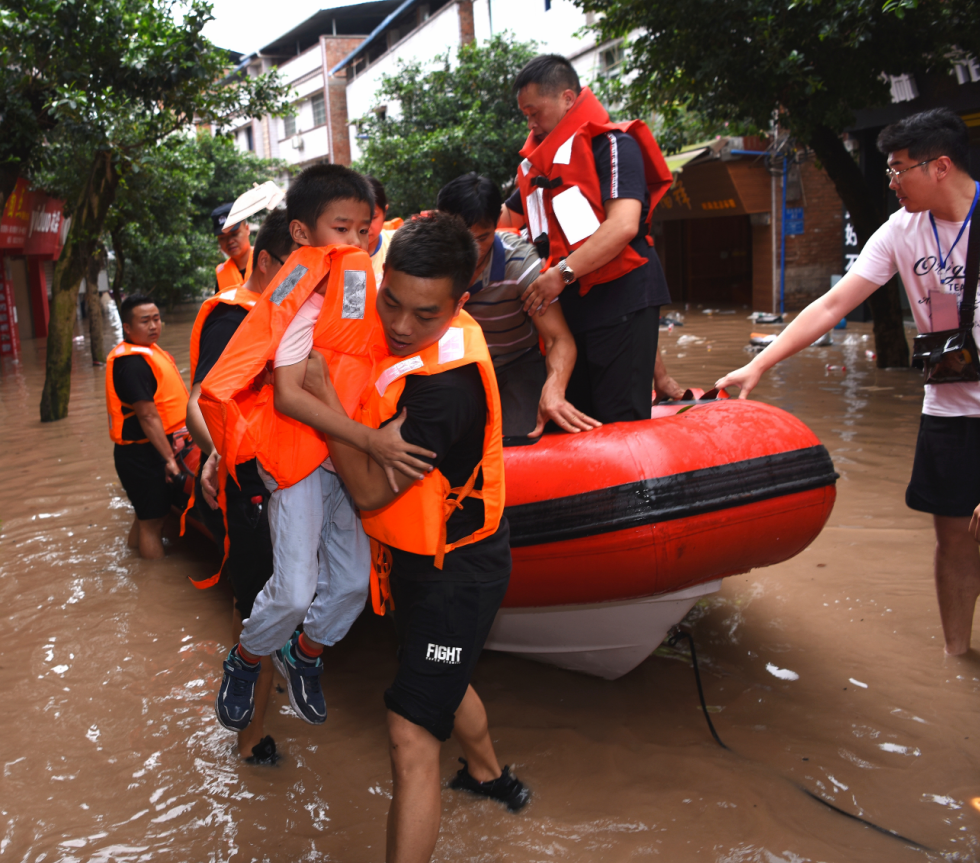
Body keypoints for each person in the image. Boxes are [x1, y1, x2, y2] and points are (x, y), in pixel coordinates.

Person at [303, 212, 529, 863]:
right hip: (413, 555)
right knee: (440, 674)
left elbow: (372, 491)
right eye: (390, 302)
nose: (401, 326)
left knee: (409, 730)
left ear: (461, 301)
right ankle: (490, 777)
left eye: (423, 315)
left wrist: (328, 411)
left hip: (455, 571)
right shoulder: (409, 326)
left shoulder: (447, 390)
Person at [716, 108, 980, 657]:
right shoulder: (902, 230)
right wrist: (762, 364)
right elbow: (833, 304)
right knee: (953, 540)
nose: (891, 182)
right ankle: (958, 659)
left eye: (899, 169)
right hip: (949, 408)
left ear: (940, 166)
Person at [200, 165, 434, 733]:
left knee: (353, 584)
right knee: (295, 587)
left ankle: (303, 654)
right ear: (304, 237)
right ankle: (247, 657)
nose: (356, 242)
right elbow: (287, 394)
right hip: (301, 460)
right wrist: (369, 440)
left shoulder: (366, 296)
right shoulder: (298, 307)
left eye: (362, 230)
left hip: (344, 464)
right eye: (342, 229)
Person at [499, 54, 683, 420]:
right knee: (581, 413)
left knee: (620, 417)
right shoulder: (540, 165)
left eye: (535, 111)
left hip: (620, 296)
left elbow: (623, 225)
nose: (531, 122)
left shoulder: (613, 146)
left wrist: (561, 274)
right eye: (526, 115)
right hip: (572, 307)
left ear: (568, 98)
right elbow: (505, 216)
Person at [184, 208, 295, 763]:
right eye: (295, 268)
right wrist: (223, 457)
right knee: (255, 601)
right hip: (253, 483)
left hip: (290, 476)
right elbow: (199, 402)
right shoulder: (234, 316)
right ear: (270, 259)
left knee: (281, 595)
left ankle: (267, 688)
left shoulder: (289, 310)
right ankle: (252, 737)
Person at [437, 172, 601, 437]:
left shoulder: (520, 264)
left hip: (516, 363)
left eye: (483, 237)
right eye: (463, 237)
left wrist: (555, 389)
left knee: (518, 440)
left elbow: (558, 339)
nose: (474, 251)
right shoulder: (427, 260)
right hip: (456, 366)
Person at [105, 296, 188, 559]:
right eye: (145, 321)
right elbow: (148, 416)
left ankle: (133, 564)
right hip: (142, 455)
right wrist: (170, 460)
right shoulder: (131, 365)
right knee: (154, 523)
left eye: (156, 318)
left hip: (147, 449)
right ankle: (154, 582)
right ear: (127, 328)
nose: (154, 325)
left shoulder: (146, 353)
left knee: (145, 517)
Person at [211, 203, 253, 293]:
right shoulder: (221, 276)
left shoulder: (269, 263)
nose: (230, 241)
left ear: (247, 229)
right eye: (222, 238)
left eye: (235, 234)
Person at [365, 175, 396, 280]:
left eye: (373, 217)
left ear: (385, 212)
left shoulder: (400, 244)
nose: (365, 227)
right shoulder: (335, 255)